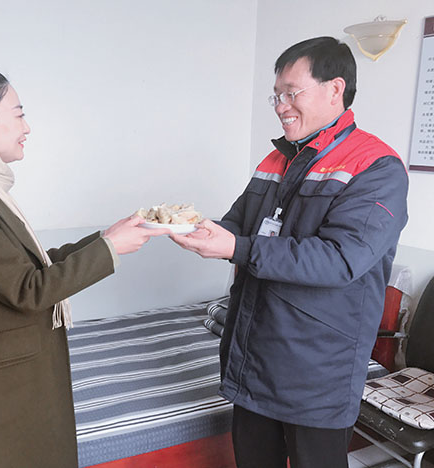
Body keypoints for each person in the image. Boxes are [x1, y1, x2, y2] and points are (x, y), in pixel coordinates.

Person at [0, 66, 168, 468]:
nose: (27, 127)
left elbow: (30, 263)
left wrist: (106, 237)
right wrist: (110, 250)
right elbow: (29, 288)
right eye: (19, 114)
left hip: (8, 372)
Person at [170, 37, 408, 468]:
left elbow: (341, 260)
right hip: (253, 360)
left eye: (291, 93)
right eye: (276, 95)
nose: (281, 106)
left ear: (335, 89)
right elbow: (238, 224)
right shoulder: (275, 160)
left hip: (317, 375)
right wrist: (196, 230)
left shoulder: (376, 167)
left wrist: (236, 247)